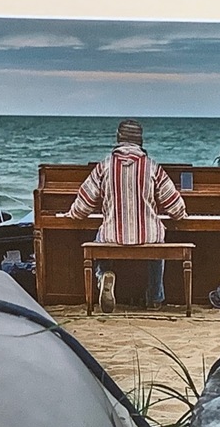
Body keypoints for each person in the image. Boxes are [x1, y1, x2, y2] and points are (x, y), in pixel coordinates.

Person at [65, 118, 188, 313]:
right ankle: (154, 297)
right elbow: (176, 208)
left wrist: (70, 214)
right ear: (141, 141)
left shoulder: (104, 167)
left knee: (99, 238)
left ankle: (103, 275)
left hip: (112, 236)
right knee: (158, 240)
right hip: (148, 236)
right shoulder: (152, 167)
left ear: (118, 139)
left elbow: (82, 206)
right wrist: (181, 213)